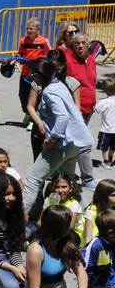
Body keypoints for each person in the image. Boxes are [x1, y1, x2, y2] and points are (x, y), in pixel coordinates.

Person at [12, 206, 115, 288]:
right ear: (57, 227)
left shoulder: (67, 243)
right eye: (69, 222)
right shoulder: (36, 249)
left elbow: (81, 272)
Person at [22, 58, 94, 213]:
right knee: (70, 181)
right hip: (75, 144)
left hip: (61, 144)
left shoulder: (49, 91)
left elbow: (62, 117)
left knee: (33, 179)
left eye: (34, 75)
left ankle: (16, 221)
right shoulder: (59, 85)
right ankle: (88, 215)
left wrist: (52, 139)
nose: (32, 78)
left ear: (41, 75)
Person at [13, 18, 50, 126]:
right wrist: (15, 59)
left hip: (37, 74)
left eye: (31, 28)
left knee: (35, 97)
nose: (29, 30)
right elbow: (20, 54)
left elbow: (49, 54)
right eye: (27, 28)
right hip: (25, 73)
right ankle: (28, 113)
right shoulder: (23, 41)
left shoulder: (43, 41)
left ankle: (34, 121)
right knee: (22, 95)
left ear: (37, 30)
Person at [62, 31, 97, 125]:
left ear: (88, 45)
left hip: (89, 108)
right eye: (77, 43)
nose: (80, 46)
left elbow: (92, 83)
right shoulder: (68, 61)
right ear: (73, 46)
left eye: (83, 43)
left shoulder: (91, 60)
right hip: (76, 109)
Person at [82, 209, 115, 288]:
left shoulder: (112, 244)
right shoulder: (95, 246)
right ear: (111, 233)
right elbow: (85, 271)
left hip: (109, 283)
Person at [43, 172, 85, 243]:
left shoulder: (74, 204)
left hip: (71, 233)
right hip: (52, 230)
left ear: (70, 188)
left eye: (64, 187)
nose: (60, 191)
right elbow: (40, 222)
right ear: (53, 188)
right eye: (57, 187)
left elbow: (70, 227)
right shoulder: (49, 200)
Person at [83, 179, 115, 245]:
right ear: (104, 196)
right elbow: (88, 239)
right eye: (113, 195)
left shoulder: (113, 208)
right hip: (97, 246)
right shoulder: (91, 211)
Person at [95, 78, 115, 166]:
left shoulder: (104, 102)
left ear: (104, 90)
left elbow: (97, 110)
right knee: (113, 146)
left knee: (105, 147)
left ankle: (106, 162)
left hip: (106, 129)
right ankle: (110, 159)